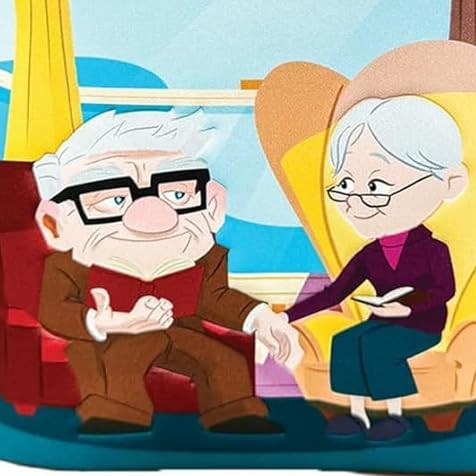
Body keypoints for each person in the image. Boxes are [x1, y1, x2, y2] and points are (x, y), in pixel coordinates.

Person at [32, 109, 301, 435]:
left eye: (176, 194)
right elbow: (55, 311)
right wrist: (104, 322)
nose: (153, 216)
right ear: (55, 223)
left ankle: (235, 415)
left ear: (213, 206)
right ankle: (118, 417)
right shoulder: (66, 268)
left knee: (224, 362)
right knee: (119, 364)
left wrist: (261, 318)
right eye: (113, 198)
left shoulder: (201, 259)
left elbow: (215, 298)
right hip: (109, 341)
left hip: (179, 332)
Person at [285, 95, 467, 442]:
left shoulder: (434, 249)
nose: (356, 201)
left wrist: (407, 306)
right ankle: (356, 415)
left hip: (423, 324)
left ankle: (394, 416)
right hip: (382, 320)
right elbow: (336, 292)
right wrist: (288, 316)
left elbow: (445, 290)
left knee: (377, 347)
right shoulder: (370, 254)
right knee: (346, 340)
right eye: (345, 186)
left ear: (448, 182)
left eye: (375, 187)